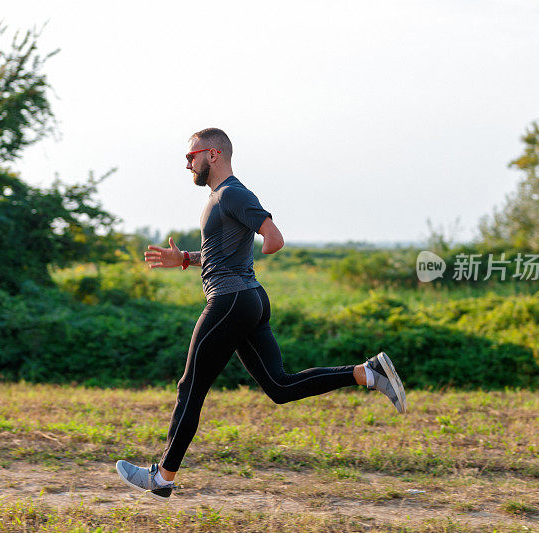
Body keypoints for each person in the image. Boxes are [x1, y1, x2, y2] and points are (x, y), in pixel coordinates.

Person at [115, 128, 406, 501]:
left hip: (231, 300)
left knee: (190, 386)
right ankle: (368, 373)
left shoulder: (233, 193)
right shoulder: (221, 198)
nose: (188, 163)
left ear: (214, 155)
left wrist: (259, 247)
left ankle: (163, 477)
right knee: (279, 386)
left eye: (192, 156)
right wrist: (186, 258)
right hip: (248, 298)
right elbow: (226, 252)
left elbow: (273, 238)